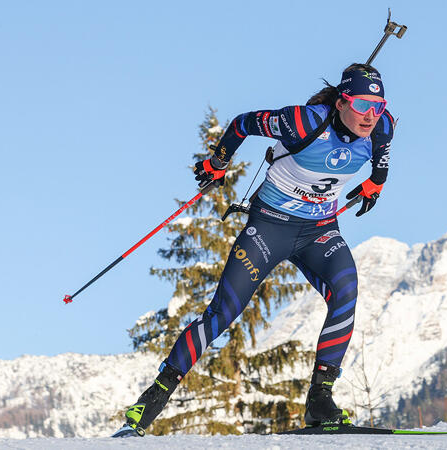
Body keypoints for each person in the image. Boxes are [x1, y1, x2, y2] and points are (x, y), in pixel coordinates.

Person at [113, 63, 395, 437]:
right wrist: (218, 163)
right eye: (362, 104)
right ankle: (149, 404)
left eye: (378, 106)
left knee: (346, 291)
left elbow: (381, 161)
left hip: (320, 231)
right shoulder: (303, 123)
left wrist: (375, 184)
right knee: (222, 313)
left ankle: (320, 400)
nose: (370, 116)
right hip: (269, 228)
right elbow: (243, 123)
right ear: (342, 101)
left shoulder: (383, 126)